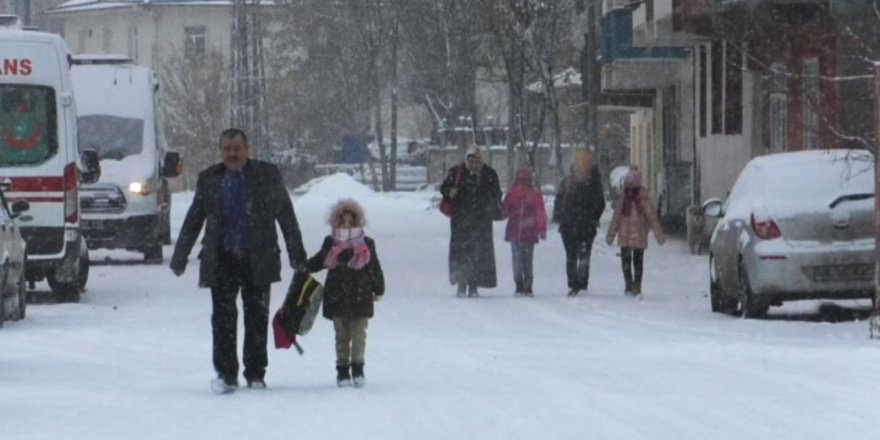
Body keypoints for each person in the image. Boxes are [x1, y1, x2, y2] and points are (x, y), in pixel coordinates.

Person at [170, 128, 307, 394]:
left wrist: (297, 255)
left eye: (237, 149)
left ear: (247, 149)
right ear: (221, 152)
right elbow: (194, 218)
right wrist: (180, 257)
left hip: (259, 257)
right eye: (227, 150)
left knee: (257, 317)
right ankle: (226, 374)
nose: (232, 154)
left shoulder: (267, 175)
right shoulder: (209, 179)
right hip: (221, 259)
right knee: (222, 319)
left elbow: (286, 216)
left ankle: (256, 373)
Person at [305, 198, 384, 388]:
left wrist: (378, 288)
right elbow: (320, 260)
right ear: (336, 222)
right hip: (337, 295)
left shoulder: (366, 243)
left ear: (358, 222)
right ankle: (342, 371)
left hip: (361, 295)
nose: (347, 226)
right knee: (341, 336)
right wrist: (304, 266)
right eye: (343, 222)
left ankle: (358, 369)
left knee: (359, 335)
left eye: (351, 222)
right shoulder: (331, 243)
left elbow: (374, 266)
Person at [439, 145, 503, 298]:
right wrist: (450, 193)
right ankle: (461, 285)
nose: (475, 164)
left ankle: (473, 286)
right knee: (462, 254)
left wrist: (490, 206)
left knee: (478, 254)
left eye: (478, 160)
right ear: (467, 159)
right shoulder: (457, 172)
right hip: (461, 221)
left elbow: (497, 194)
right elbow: (444, 189)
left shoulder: (489, 174)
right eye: (472, 160)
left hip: (481, 222)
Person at [605, 166, 666, 299]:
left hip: (625, 235)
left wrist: (610, 236)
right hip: (639, 236)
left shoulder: (623, 196)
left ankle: (628, 285)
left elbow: (616, 218)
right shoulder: (643, 196)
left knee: (626, 261)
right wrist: (659, 236)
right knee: (638, 262)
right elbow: (652, 217)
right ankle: (637, 287)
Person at [552, 150, 606, 297]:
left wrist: (560, 217)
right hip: (586, 225)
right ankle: (582, 281)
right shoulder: (594, 181)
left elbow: (559, 200)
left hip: (569, 224)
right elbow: (601, 203)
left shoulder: (568, 180)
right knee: (584, 254)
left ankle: (573, 283)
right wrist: (593, 217)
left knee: (571, 255)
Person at [502, 167, 548, 297]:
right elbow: (505, 210)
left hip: (526, 233)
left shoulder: (533, 195)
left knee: (525, 261)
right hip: (518, 233)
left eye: (525, 181)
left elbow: (540, 214)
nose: (522, 185)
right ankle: (520, 285)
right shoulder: (513, 194)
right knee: (520, 261)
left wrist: (541, 229)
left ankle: (526, 286)